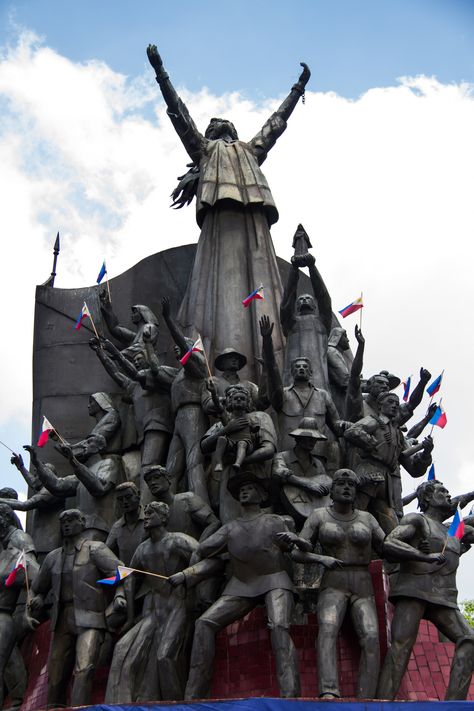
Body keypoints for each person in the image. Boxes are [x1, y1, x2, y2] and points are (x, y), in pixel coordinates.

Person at [147, 44, 310, 380]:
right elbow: (181, 116)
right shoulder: (207, 152)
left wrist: (297, 90)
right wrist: (161, 73)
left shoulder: (249, 151)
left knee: (262, 282)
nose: (222, 128)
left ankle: (267, 365)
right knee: (216, 288)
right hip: (220, 224)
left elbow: (275, 124)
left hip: (255, 225)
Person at [176, 472, 335, 699]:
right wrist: (186, 574)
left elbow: (297, 552)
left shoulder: (274, 521)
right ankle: (193, 696)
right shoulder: (230, 528)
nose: (244, 491)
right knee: (204, 623)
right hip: (240, 585)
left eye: (249, 488)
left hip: (275, 581)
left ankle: (290, 696)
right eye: (241, 489)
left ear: (261, 495)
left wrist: (309, 549)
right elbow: (203, 551)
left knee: (279, 626)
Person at [277, 469, 385, 699]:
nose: (346, 487)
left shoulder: (367, 518)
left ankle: (366, 697)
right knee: (327, 630)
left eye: (351, 484)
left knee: (372, 636)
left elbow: (386, 546)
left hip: (362, 582)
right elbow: (298, 551)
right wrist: (320, 558)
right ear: (332, 490)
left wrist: (416, 551)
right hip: (333, 582)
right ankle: (328, 690)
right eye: (341, 483)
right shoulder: (318, 516)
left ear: (356, 491)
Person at [377, 480, 474, 701]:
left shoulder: (455, 530)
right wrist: (421, 555)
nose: (448, 494)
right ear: (428, 498)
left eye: (449, 491)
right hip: (415, 590)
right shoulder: (417, 520)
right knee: (401, 646)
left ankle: (453, 704)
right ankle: (382, 702)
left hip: (443, 597)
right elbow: (390, 542)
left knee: (469, 639)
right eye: (442, 491)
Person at [29, 509, 126, 708]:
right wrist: (36, 599)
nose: (66, 524)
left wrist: (118, 594)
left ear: (82, 523)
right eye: (63, 521)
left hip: (90, 617)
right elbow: (37, 588)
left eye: (71, 520)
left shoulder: (95, 549)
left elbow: (122, 573)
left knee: (84, 669)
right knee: (55, 674)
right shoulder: (53, 557)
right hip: (62, 619)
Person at [105, 501, 199, 703]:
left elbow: (203, 560)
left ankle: (177, 705)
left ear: (164, 518)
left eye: (151, 513)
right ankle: (120, 706)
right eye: (145, 513)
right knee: (123, 649)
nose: (146, 517)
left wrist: (192, 583)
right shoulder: (142, 549)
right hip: (155, 607)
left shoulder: (179, 541)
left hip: (179, 604)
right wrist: (130, 617)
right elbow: (130, 578)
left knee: (165, 656)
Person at [344, 391, 433, 532]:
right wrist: (369, 443)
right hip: (368, 474)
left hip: (386, 483)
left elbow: (413, 469)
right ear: (380, 405)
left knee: (392, 528)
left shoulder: (398, 434)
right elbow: (351, 432)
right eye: (390, 402)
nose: (394, 406)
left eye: (397, 404)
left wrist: (426, 453)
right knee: (352, 514)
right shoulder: (374, 421)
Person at [260, 315, 343, 452]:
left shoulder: (323, 396)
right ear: (292, 373)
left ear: (311, 373)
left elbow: (337, 426)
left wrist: (348, 427)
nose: (301, 369)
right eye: (297, 367)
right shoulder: (283, 394)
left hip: (318, 456)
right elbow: (273, 369)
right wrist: (267, 340)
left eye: (305, 367)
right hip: (288, 455)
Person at [280, 225, 333, 389]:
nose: (303, 300)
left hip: (319, 379)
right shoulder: (291, 322)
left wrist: (312, 267)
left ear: (314, 305)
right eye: (300, 299)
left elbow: (323, 296)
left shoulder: (322, 321)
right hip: (292, 381)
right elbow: (288, 299)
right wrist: (294, 270)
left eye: (307, 298)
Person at [272, 417, 332, 528]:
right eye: (308, 438)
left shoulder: (318, 463)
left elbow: (325, 482)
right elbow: (278, 472)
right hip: (284, 512)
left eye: (314, 438)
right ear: (298, 438)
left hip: (313, 514)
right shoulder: (282, 457)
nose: (312, 441)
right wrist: (307, 484)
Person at [106, 482, 145, 566]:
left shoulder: (150, 520)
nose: (124, 502)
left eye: (128, 497)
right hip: (126, 575)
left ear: (138, 495)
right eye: (120, 499)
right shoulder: (117, 527)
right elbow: (107, 554)